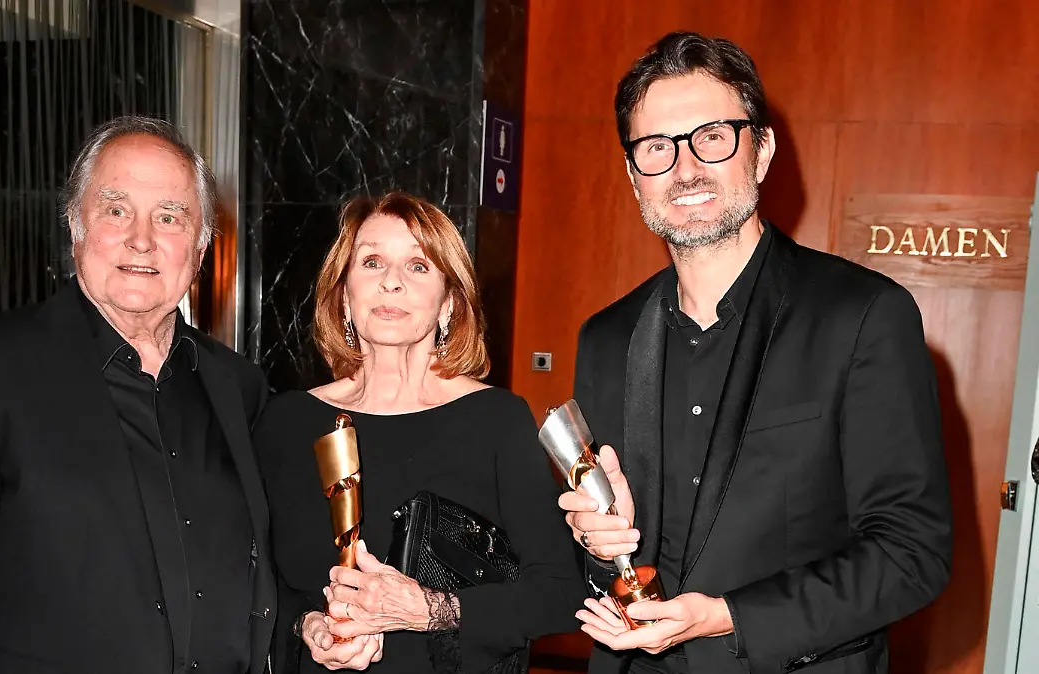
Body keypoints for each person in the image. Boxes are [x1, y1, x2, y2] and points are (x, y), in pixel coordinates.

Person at [558, 32, 953, 674]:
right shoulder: (605, 339)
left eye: (713, 136)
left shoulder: (863, 316)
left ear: (761, 150)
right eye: (657, 148)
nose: (685, 169)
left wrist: (725, 617)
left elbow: (912, 554)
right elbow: (597, 566)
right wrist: (602, 546)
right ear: (633, 177)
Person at [0, 116, 275, 674]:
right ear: (77, 226)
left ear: (198, 250)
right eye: (116, 210)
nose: (141, 239)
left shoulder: (238, 387)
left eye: (169, 218)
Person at [254, 192, 583, 674]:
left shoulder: (496, 420)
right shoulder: (284, 424)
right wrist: (309, 625)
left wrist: (429, 610)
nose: (391, 282)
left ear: (448, 304)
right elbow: (257, 583)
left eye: (417, 267)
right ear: (344, 295)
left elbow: (559, 591)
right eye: (372, 262)